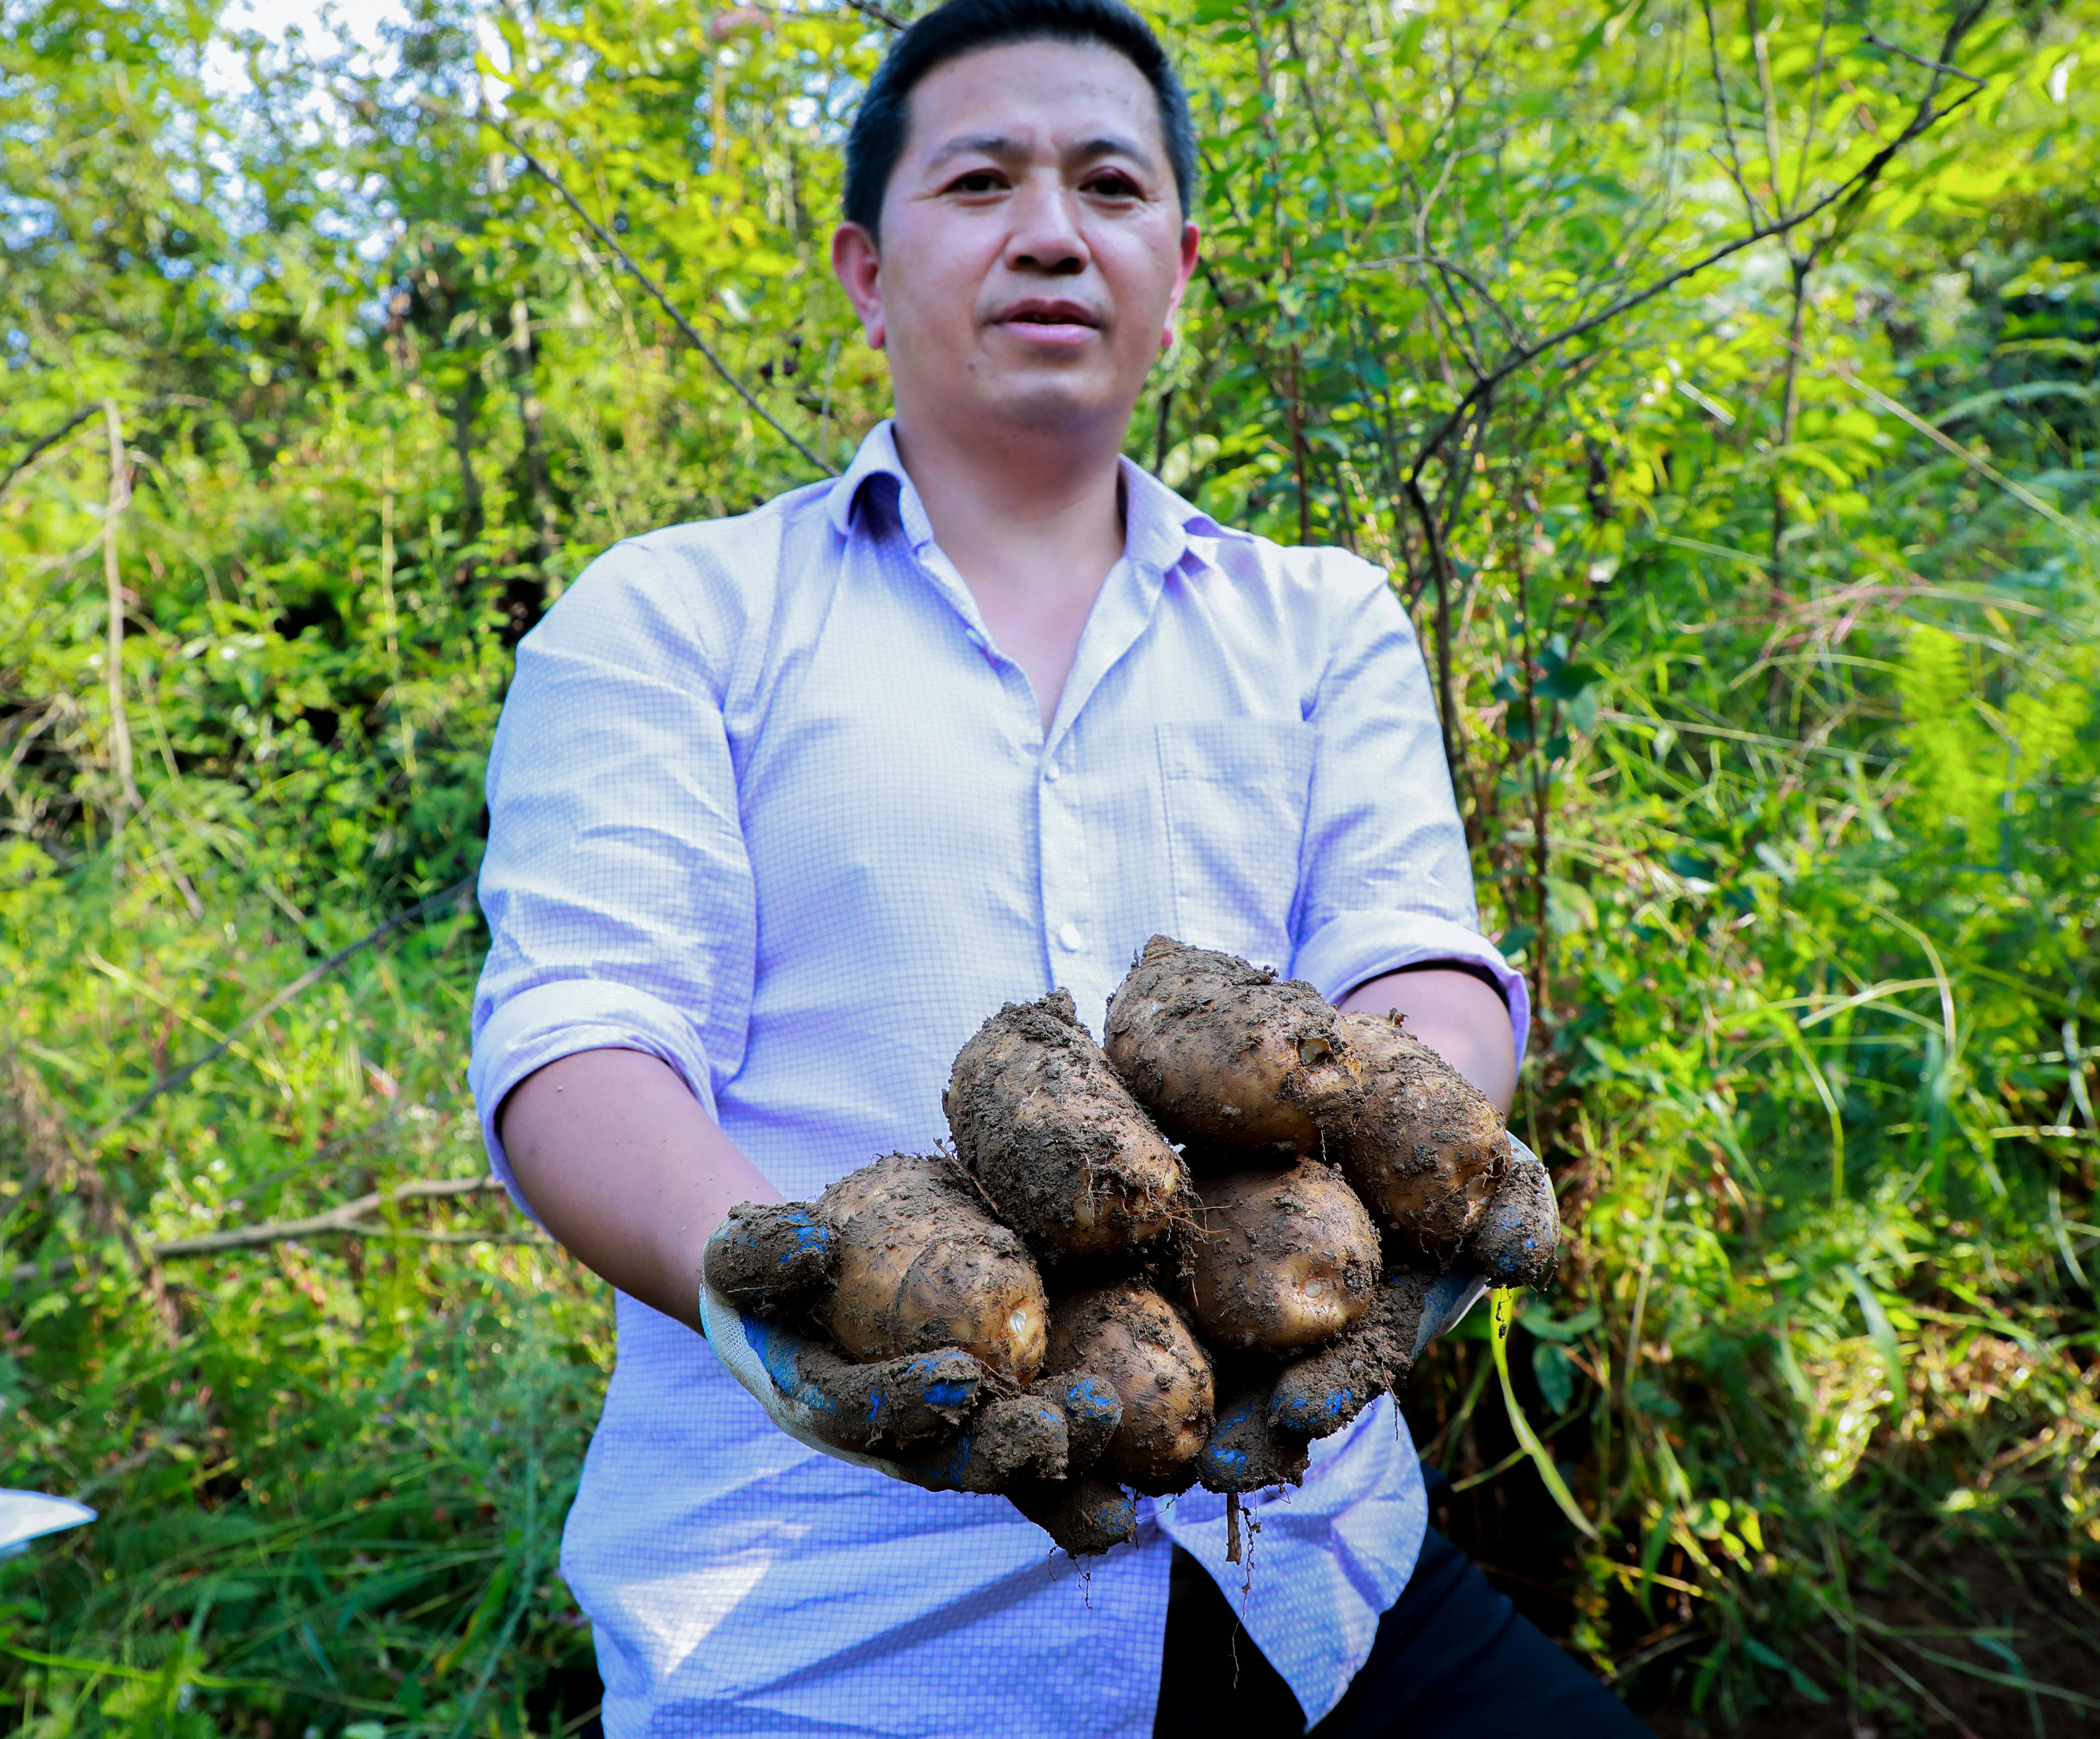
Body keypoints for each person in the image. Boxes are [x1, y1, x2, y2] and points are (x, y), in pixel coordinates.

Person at [467, 1, 1651, 1731]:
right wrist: (764, 1281)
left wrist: (1415, 1127)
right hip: (828, 1615)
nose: (1050, 228)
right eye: (981, 181)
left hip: (1317, 1567)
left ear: (1175, 270)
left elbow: (1416, 955)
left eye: (1108, 183)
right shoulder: (667, 619)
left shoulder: (1318, 620)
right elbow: (581, 1034)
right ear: (869, 272)